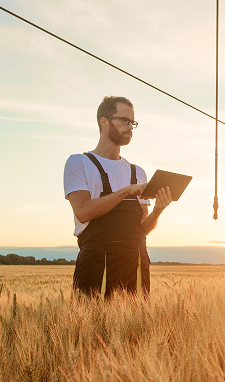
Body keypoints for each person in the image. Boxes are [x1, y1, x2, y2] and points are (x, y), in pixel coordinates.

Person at [63, 96, 171, 298]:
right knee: (90, 325)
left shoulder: (137, 172)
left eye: (133, 123)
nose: (130, 127)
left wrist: (158, 210)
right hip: (96, 263)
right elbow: (83, 212)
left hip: (136, 264)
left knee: (136, 328)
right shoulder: (78, 163)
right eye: (124, 121)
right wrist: (126, 191)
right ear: (104, 121)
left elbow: (142, 230)